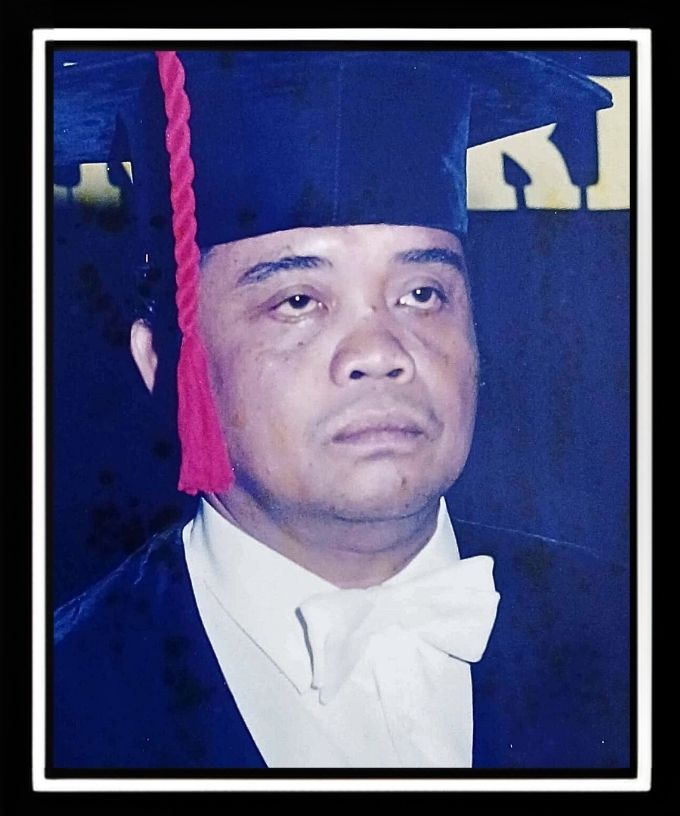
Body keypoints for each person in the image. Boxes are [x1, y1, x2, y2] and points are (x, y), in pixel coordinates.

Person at [52, 49, 629, 770]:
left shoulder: (619, 625)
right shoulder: (59, 703)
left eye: (422, 294)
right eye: (298, 301)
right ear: (165, 365)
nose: (381, 351)